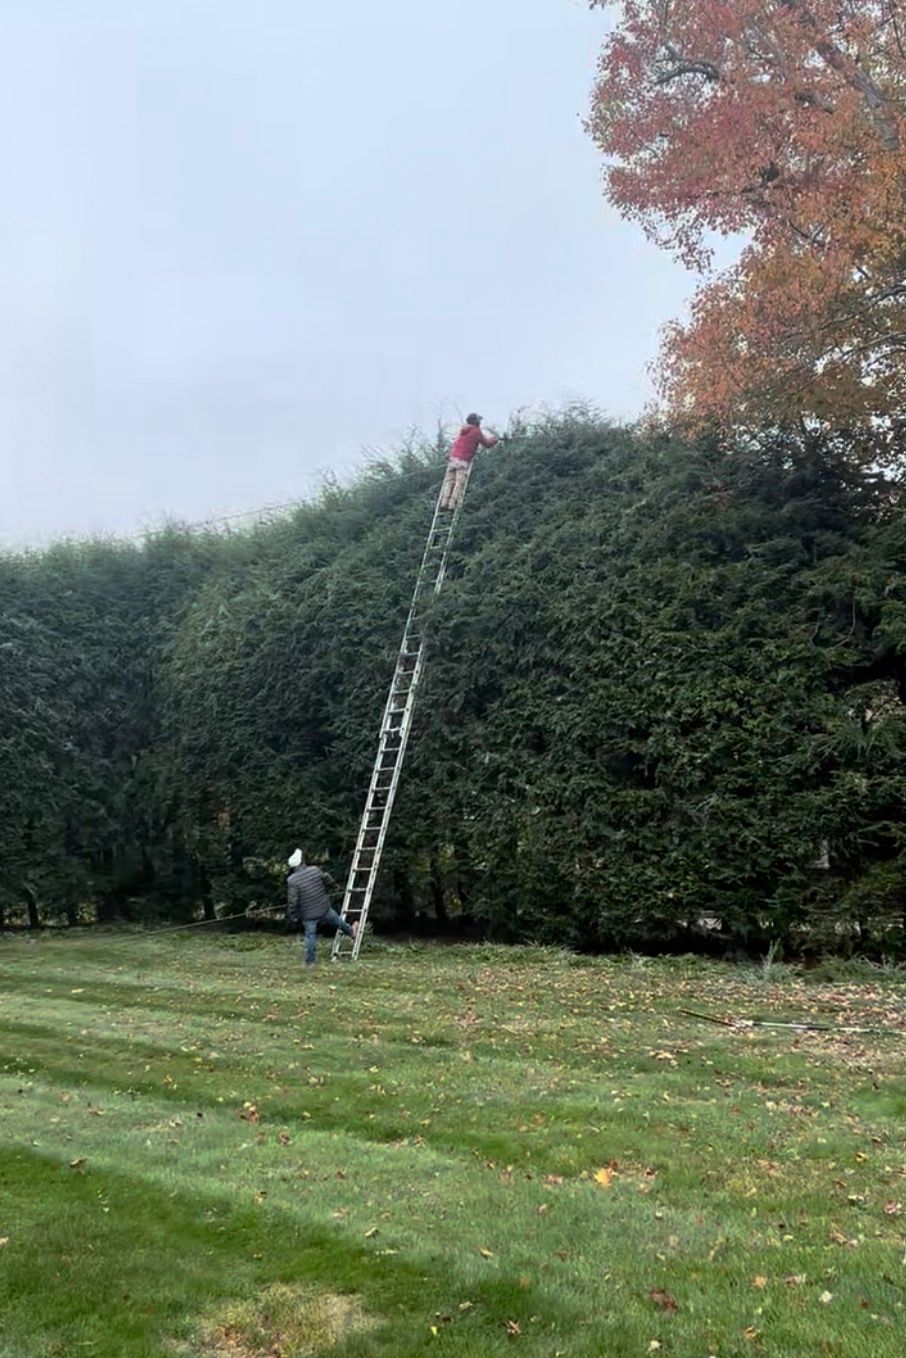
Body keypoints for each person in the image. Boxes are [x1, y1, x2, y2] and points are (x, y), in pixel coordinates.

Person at [286, 848, 357, 965]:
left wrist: (293, 915)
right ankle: (351, 932)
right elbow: (327, 878)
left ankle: (310, 962)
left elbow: (293, 901)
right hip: (323, 908)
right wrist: (335, 887)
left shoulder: (292, 880)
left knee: (310, 936)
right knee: (338, 921)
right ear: (302, 862)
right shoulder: (315, 870)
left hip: (308, 914)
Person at [438, 413, 498, 511]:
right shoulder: (476, 431)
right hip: (463, 461)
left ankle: (444, 502)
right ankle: (452, 504)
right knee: (458, 483)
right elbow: (486, 444)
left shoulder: (463, 430)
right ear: (476, 422)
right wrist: (494, 440)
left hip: (453, 459)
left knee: (449, 482)